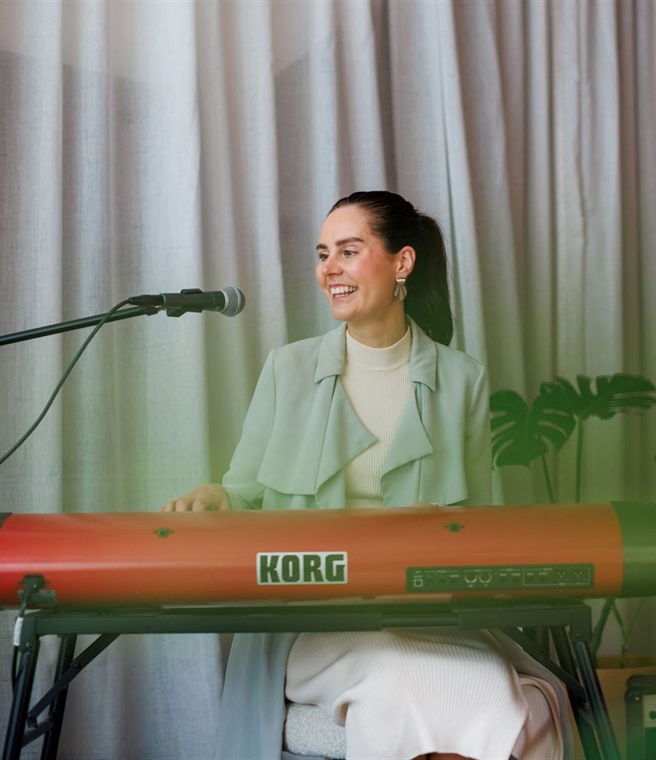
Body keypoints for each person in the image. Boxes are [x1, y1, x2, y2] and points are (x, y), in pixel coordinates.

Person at [162, 191, 568, 760]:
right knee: (419, 684)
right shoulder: (288, 368)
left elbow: (473, 528)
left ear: (402, 263)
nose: (329, 268)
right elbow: (245, 492)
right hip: (311, 625)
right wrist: (216, 496)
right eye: (323, 253)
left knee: (510, 700)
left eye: (349, 251)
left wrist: (446, 528)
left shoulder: (463, 380)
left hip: (430, 618)